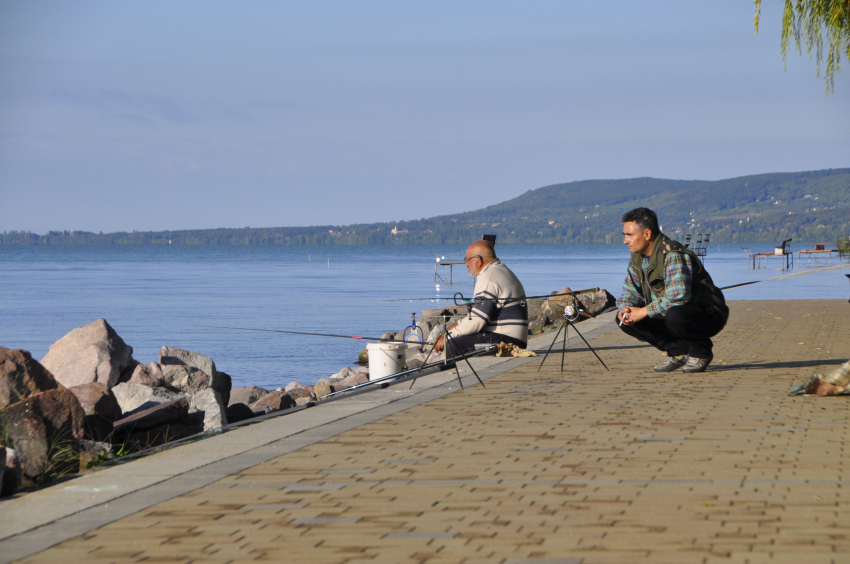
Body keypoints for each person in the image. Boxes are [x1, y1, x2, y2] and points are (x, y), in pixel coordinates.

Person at [617, 207, 728, 373]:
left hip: (707, 313)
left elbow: (678, 296)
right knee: (625, 319)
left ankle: (701, 352)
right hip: (671, 313)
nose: (625, 241)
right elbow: (630, 291)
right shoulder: (637, 259)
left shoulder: (673, 254)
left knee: (675, 314)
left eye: (629, 235)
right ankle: (678, 352)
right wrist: (626, 307)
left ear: (647, 234)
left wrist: (643, 311)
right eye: (625, 235)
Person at [433, 240, 528, 354]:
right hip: (513, 337)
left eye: (467, 259)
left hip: (507, 340)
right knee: (456, 340)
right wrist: (450, 330)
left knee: (453, 345)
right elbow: (476, 315)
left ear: (478, 260)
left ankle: (454, 371)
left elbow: (477, 321)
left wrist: (448, 337)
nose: (466, 264)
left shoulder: (489, 277)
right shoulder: (499, 270)